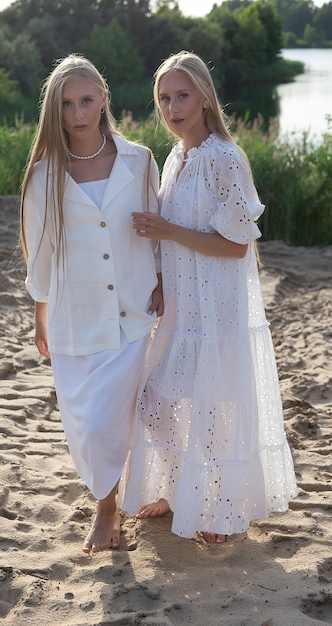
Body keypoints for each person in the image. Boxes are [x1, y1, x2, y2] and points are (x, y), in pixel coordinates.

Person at [118, 51, 297, 544]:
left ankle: (217, 509)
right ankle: (181, 490)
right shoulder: (177, 157)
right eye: (164, 98)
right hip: (181, 308)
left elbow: (236, 243)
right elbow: (172, 240)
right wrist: (159, 279)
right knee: (156, 404)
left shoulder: (222, 157)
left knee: (212, 410)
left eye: (182, 95)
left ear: (204, 98)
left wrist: (169, 231)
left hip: (216, 311)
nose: (172, 107)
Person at [20, 54, 163, 554]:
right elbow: (39, 251)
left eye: (86, 100)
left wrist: (163, 278)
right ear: (55, 112)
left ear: (104, 97)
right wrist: (39, 311)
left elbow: (155, 229)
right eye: (66, 104)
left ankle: (108, 509)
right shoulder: (43, 176)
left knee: (118, 417)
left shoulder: (140, 159)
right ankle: (108, 497)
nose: (78, 113)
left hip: (132, 309)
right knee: (85, 422)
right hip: (73, 313)